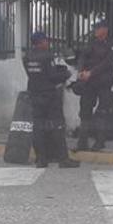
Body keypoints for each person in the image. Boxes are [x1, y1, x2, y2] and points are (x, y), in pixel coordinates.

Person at [24, 31, 79, 168]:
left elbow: (31, 74)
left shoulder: (27, 57)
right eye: (46, 41)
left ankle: (41, 159)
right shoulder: (47, 56)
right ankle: (63, 159)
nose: (47, 43)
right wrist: (66, 74)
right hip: (49, 95)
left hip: (35, 94)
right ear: (41, 42)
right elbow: (53, 76)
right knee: (57, 126)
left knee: (38, 127)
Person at [75, 21, 113, 152]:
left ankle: (100, 141)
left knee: (102, 112)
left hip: (104, 82)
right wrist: (81, 71)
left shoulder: (111, 44)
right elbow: (82, 56)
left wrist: (91, 73)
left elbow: (107, 63)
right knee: (85, 111)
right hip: (89, 82)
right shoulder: (91, 42)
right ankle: (82, 141)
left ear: (105, 30)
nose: (95, 31)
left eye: (98, 28)